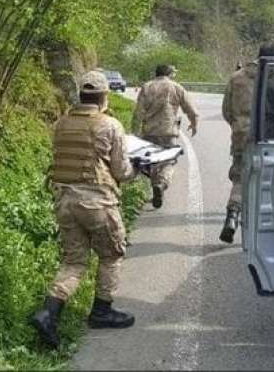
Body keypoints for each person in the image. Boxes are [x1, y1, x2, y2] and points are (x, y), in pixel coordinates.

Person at [30, 70, 143, 349]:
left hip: (64, 201)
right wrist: (137, 169)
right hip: (97, 203)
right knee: (111, 254)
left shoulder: (61, 123)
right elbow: (120, 169)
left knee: (74, 261)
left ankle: (49, 313)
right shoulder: (110, 125)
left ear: (80, 95)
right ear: (104, 96)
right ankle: (102, 311)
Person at [219, 44, 274, 244]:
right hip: (269, 138)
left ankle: (232, 216)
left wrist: (239, 126)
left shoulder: (236, 77)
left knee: (240, 177)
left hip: (241, 135)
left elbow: (227, 111)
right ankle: (264, 228)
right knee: (269, 182)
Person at [131, 64, 198, 208]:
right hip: (168, 131)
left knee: (153, 161)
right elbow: (190, 109)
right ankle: (161, 184)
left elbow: (138, 113)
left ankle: (156, 186)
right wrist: (194, 123)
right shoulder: (176, 87)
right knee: (168, 161)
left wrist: (135, 133)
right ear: (169, 74)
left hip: (149, 131)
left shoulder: (147, 87)